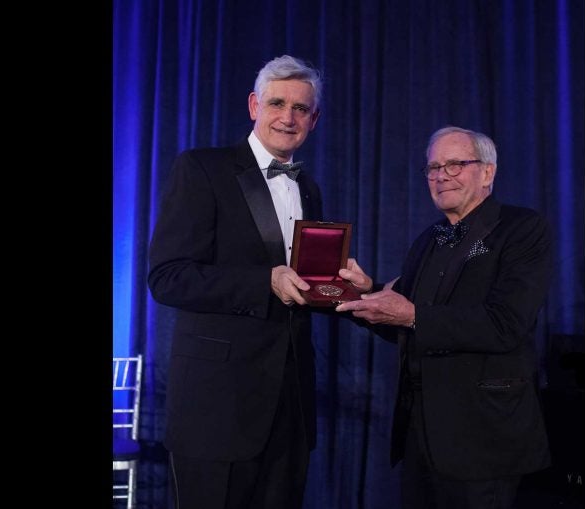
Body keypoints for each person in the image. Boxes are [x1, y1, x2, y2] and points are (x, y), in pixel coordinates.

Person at [335, 126, 554, 509]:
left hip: (484, 437)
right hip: (423, 437)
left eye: (455, 164)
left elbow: (504, 324)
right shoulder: (432, 238)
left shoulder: (521, 229)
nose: (441, 175)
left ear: (487, 172)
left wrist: (412, 314)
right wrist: (363, 293)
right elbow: (407, 322)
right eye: (433, 167)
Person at [148, 55, 327, 509]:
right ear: (253, 105)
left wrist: (348, 287)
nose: (288, 117)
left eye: (301, 108)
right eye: (277, 103)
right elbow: (168, 278)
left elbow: (304, 284)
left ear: (314, 118)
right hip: (217, 409)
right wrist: (262, 281)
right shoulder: (202, 169)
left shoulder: (309, 188)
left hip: (290, 407)